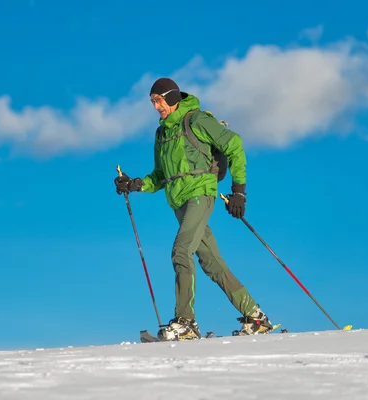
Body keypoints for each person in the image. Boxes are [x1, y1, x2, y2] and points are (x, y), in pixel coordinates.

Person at [114, 77, 273, 340]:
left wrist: (239, 192)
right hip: (179, 203)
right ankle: (256, 317)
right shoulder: (162, 133)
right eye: (152, 102)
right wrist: (134, 185)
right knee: (211, 262)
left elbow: (234, 145)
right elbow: (160, 175)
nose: (156, 107)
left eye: (159, 101)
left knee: (181, 250)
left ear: (172, 98)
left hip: (201, 195)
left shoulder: (196, 120)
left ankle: (186, 322)